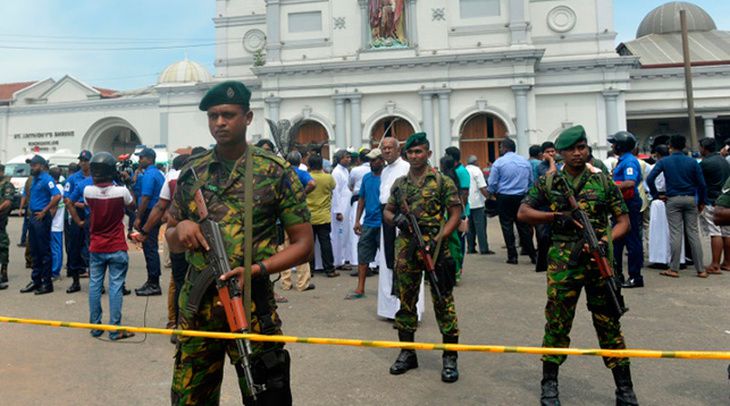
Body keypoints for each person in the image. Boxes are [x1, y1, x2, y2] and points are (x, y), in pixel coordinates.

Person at [166, 80, 312, 405]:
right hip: (199, 312)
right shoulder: (192, 174)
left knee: (265, 396)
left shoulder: (274, 171)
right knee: (190, 399)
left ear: (247, 117)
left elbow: (303, 244)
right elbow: (172, 237)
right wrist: (183, 228)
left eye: (228, 115)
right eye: (213, 116)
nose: (219, 122)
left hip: (252, 307)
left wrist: (257, 269)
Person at [517, 125, 638, 405]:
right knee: (557, 324)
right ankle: (549, 385)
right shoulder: (549, 182)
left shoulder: (603, 181)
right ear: (559, 153)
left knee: (609, 324)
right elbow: (523, 212)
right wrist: (556, 216)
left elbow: (624, 222)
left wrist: (603, 240)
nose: (577, 153)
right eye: (571, 149)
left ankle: (625, 388)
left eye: (582, 147)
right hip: (563, 265)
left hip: (599, 264)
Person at [384, 132, 462, 383]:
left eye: (419, 151)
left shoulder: (441, 181)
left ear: (428, 153)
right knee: (406, 301)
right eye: (411, 152)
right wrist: (396, 219)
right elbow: (387, 210)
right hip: (406, 248)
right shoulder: (400, 184)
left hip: (436, 248)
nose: (415, 156)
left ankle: (450, 358)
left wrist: (441, 238)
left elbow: (455, 213)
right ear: (406, 155)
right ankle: (408, 353)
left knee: (443, 300)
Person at [83, 152, 136, 341]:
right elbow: (132, 204)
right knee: (115, 287)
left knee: (95, 286)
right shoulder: (121, 192)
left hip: (96, 246)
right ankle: (115, 328)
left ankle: (95, 326)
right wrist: (124, 181)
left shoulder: (88, 191)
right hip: (116, 245)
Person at [136, 153, 190, 336]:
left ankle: (175, 324)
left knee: (179, 281)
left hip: (177, 235)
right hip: (204, 238)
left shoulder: (170, 177)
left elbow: (157, 205)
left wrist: (143, 228)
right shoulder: (162, 175)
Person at [646, 135, 707, 278]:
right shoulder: (692, 162)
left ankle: (674, 269)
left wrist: (656, 195)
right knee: (693, 234)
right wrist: (702, 201)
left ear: (670, 146)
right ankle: (701, 269)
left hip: (672, 199)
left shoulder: (665, 161)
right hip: (690, 198)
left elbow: (650, 178)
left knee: (675, 233)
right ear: (684, 145)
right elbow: (702, 184)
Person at [378, 136, 414, 320]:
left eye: (390, 148)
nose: (386, 151)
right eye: (383, 148)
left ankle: (405, 309)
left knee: (403, 263)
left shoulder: (406, 168)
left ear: (399, 150)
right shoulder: (384, 171)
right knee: (388, 261)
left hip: (401, 219)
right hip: (386, 217)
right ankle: (390, 309)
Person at [487, 138, 535, 264]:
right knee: (524, 227)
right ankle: (532, 255)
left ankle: (512, 256)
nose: (499, 150)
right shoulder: (525, 162)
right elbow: (531, 181)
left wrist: (492, 193)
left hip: (504, 197)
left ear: (505, 148)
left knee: (507, 226)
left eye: (500, 147)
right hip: (521, 196)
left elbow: (492, 183)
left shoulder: (499, 163)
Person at [346, 148, 384, 299]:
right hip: (368, 223)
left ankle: (391, 289)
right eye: (371, 160)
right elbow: (362, 200)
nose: (372, 163)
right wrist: (357, 220)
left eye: (375, 160)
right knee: (363, 257)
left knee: (389, 259)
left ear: (382, 161)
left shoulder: (387, 177)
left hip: (384, 224)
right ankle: (360, 288)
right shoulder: (367, 178)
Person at [20, 155, 61, 295]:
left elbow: (57, 196)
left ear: (42, 166)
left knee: (44, 251)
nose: (32, 167)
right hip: (33, 217)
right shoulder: (34, 180)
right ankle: (36, 280)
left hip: (41, 218)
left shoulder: (47, 179)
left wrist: (45, 211)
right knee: (34, 251)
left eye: (35, 165)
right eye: (31, 165)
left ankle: (47, 283)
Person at [608, 131, 645, 288]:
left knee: (632, 241)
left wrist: (610, 186)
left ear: (621, 145)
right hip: (621, 203)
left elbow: (629, 183)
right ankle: (617, 275)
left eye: (614, 143)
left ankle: (635, 276)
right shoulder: (623, 160)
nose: (612, 146)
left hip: (629, 204)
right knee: (617, 240)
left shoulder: (629, 162)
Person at [279, 151, 315, 292]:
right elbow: (312, 183)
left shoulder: (282, 173)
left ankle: (286, 282)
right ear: (299, 161)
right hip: (298, 216)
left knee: (283, 249)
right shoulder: (301, 173)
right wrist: (302, 195)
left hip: (281, 216)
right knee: (301, 247)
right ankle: (302, 283)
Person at [133, 147, 166, 296]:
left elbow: (145, 198)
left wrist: (139, 217)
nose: (139, 160)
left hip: (150, 213)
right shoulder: (157, 173)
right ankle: (152, 280)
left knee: (149, 247)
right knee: (149, 247)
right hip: (155, 212)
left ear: (149, 159)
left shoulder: (150, 175)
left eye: (141, 158)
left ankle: (153, 283)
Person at [698, 137, 730, 274]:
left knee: (714, 232)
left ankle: (715, 264)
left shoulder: (705, 163)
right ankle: (727, 262)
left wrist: (701, 201)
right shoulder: (724, 160)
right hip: (726, 201)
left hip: (711, 201)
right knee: (727, 233)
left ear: (704, 148)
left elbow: (700, 184)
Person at [307, 154, 339, 277]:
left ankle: (310, 270)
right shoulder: (328, 178)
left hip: (309, 215)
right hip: (324, 215)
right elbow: (333, 187)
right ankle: (329, 269)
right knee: (325, 242)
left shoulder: (307, 177)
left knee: (310, 244)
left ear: (309, 165)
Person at [444, 146, 470, 269]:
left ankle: (459, 266)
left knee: (459, 240)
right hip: (451, 212)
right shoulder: (453, 171)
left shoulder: (461, 171)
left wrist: (458, 212)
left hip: (460, 211)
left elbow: (464, 193)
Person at [347, 148, 372, 275]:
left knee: (357, 234)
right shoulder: (376, 170)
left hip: (358, 202)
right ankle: (374, 263)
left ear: (359, 159)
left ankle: (360, 263)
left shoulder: (355, 170)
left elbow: (350, 185)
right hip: (373, 203)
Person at [465, 155, 493, 255]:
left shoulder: (465, 170)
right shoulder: (477, 170)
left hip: (467, 202)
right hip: (477, 203)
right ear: (475, 162)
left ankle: (471, 247)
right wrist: (489, 197)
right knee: (480, 227)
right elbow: (482, 186)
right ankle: (484, 248)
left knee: (469, 227)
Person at [331, 149, 353, 269]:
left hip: (346, 205)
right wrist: (338, 211)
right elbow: (335, 193)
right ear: (340, 159)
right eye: (346, 157)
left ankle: (346, 258)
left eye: (349, 157)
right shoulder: (336, 172)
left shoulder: (345, 171)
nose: (349, 159)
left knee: (345, 234)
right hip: (340, 207)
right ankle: (339, 261)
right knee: (339, 235)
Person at [0, 164, 15, 290]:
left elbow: (8, 201)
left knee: (3, 244)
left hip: (0, 218)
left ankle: (3, 270)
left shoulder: (7, 185)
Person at [49, 167, 65, 280]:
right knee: (57, 248)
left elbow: (53, 207)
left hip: (54, 224)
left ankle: (54, 271)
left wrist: (48, 220)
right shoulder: (61, 187)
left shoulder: (56, 189)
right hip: (58, 224)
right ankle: (56, 270)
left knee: (55, 249)